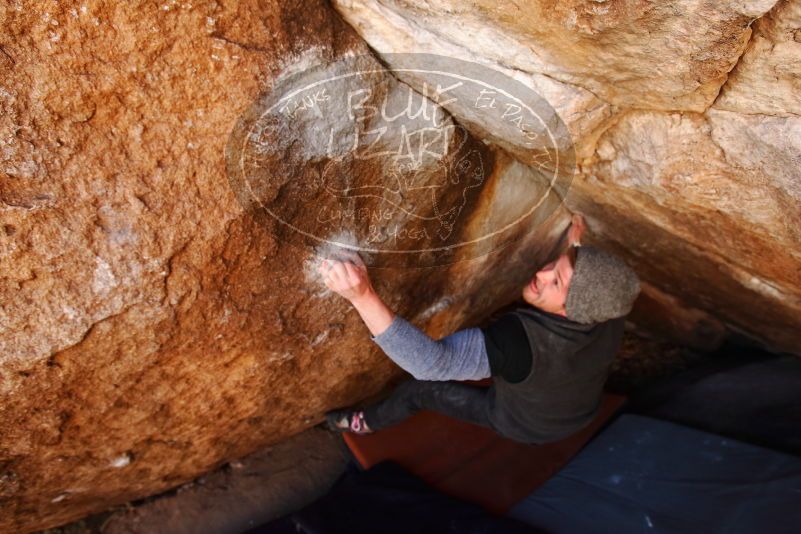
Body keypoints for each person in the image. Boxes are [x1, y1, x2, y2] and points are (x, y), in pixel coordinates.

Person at [317, 214, 641, 444]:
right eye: (557, 263)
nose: (542, 273)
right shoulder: (610, 310)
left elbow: (433, 364)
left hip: (526, 425)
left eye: (555, 281)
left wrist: (362, 296)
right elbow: (588, 285)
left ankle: (363, 423)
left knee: (422, 391)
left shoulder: (521, 343)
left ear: (572, 311)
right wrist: (575, 244)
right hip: (580, 408)